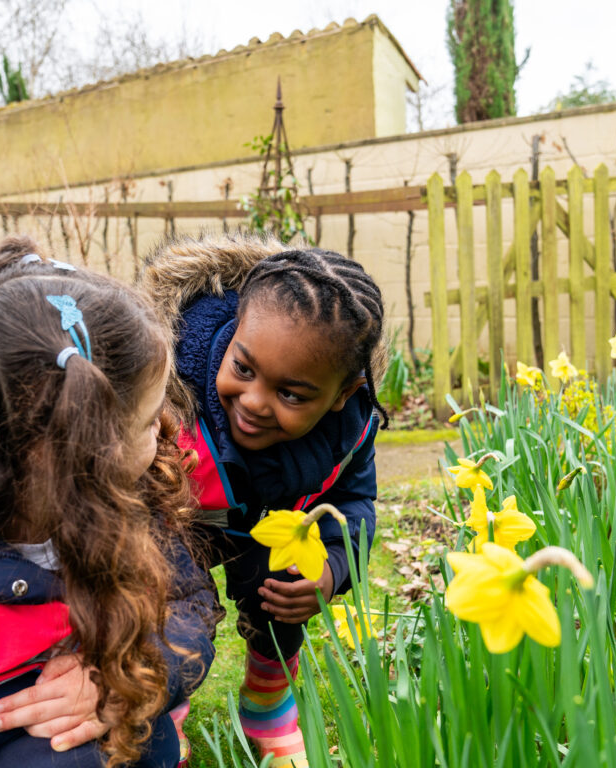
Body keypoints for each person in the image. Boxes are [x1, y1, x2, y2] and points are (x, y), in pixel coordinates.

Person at [0, 237, 218, 768]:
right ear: (82, 449)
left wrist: (129, 679)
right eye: (151, 419)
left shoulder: (134, 496)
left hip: (61, 719)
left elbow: (188, 606)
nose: (170, 429)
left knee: (117, 748)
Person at [139, 233, 388, 768]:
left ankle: (268, 699)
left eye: (292, 394)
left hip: (269, 530)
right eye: (243, 369)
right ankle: (163, 706)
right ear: (231, 335)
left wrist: (335, 570)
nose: (253, 402)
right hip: (176, 524)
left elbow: (355, 506)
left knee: (292, 577)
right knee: (158, 600)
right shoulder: (167, 389)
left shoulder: (349, 428)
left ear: (343, 393)